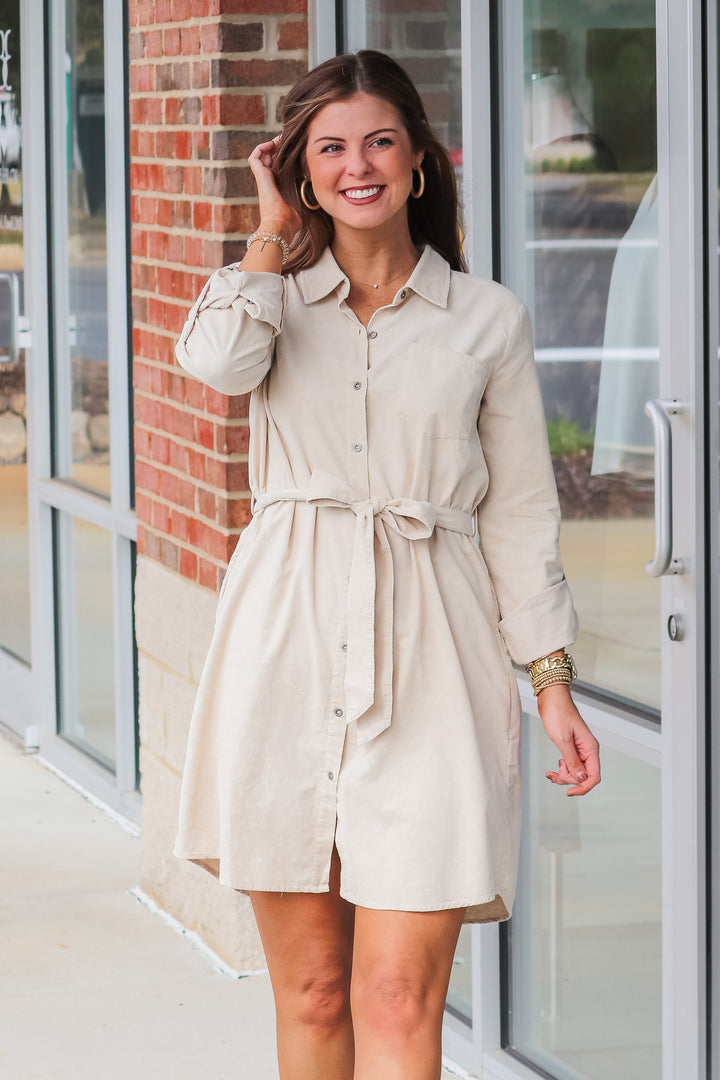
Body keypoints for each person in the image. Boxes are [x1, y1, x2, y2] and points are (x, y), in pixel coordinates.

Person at [173, 49, 601, 1080]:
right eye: (329, 148)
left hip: (433, 665)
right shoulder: (266, 301)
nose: (357, 166)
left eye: (378, 141)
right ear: (298, 170)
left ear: (419, 161)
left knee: (399, 996)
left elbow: (521, 516)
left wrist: (550, 681)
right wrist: (270, 239)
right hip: (286, 653)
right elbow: (214, 367)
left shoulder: (488, 321)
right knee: (316, 992)